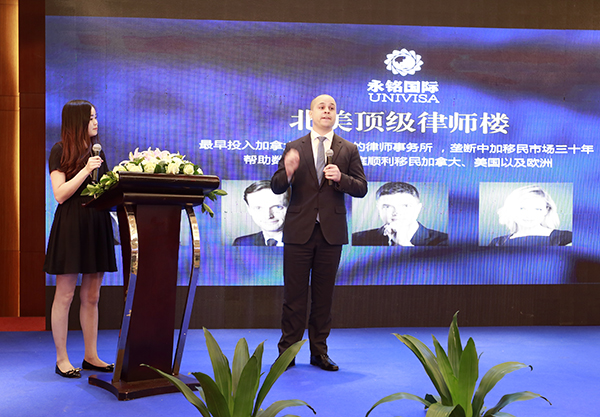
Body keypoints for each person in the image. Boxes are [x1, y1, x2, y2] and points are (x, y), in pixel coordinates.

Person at [271, 94, 367, 371]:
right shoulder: (294, 147)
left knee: (323, 297)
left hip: (330, 233)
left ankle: (319, 352)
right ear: (311, 114)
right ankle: (287, 353)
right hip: (298, 232)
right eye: (321, 107)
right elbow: (276, 186)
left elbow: (361, 187)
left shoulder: (348, 149)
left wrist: (341, 178)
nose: (326, 111)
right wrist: (288, 171)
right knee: (294, 297)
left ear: (336, 115)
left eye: (331, 108)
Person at [43, 100, 117, 378]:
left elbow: (103, 189)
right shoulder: (59, 150)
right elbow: (60, 194)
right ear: (77, 122)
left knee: (92, 295)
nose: (96, 123)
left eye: (96, 117)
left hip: (96, 223)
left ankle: (91, 356)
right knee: (65, 294)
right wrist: (86, 169)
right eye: (91, 118)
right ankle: (62, 359)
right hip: (71, 225)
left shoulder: (97, 151)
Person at [352, 182, 448, 246]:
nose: (396, 212)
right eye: (387, 207)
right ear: (378, 208)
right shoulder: (357, 239)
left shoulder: (444, 241)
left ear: (418, 208)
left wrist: (403, 243)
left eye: (405, 206)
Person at [488, 184, 572, 246]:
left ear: (546, 210)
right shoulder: (497, 243)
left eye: (537, 209)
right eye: (522, 208)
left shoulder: (566, 238)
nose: (529, 215)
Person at [232, 180, 290, 246]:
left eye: (277, 207)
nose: (268, 216)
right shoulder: (241, 243)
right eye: (258, 208)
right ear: (249, 209)